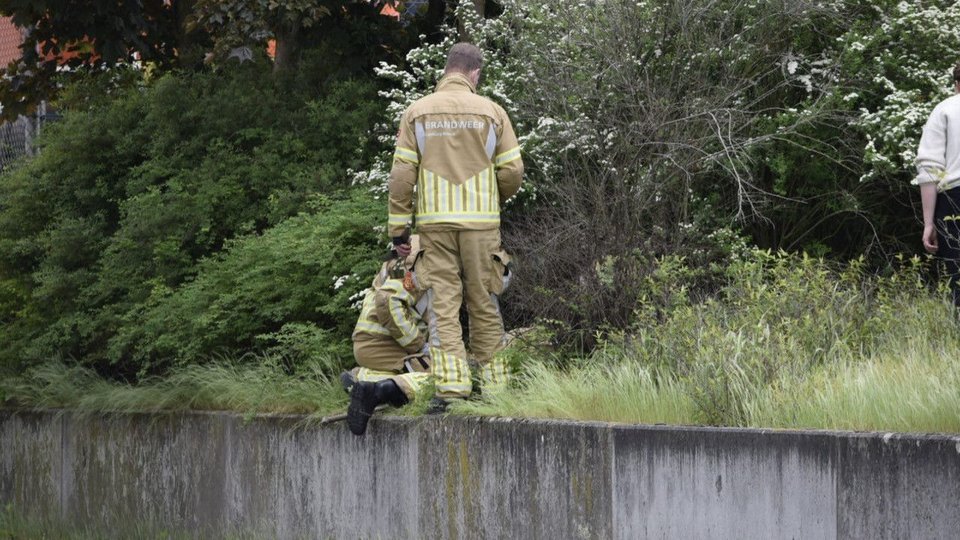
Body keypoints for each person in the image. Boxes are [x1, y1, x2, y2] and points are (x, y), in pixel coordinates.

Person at [388, 42, 522, 409]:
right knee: (484, 301)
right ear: (474, 73)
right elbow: (512, 171)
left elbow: (401, 176)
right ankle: (496, 390)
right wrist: (494, 199)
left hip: (435, 227)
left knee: (444, 306)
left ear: (447, 70)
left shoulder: (417, 113)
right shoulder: (493, 112)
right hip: (481, 228)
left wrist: (399, 229)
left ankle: (451, 389)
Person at [343, 235, 433, 435]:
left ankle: (361, 380)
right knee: (446, 376)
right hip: (384, 344)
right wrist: (418, 345)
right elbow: (388, 299)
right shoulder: (423, 262)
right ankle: (380, 391)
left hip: (367, 344)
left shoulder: (403, 254)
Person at [915, 62, 960, 306]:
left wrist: (929, 223)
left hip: (955, 199)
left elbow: (929, 169)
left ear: (956, 84)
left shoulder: (945, 109)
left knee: (958, 274)